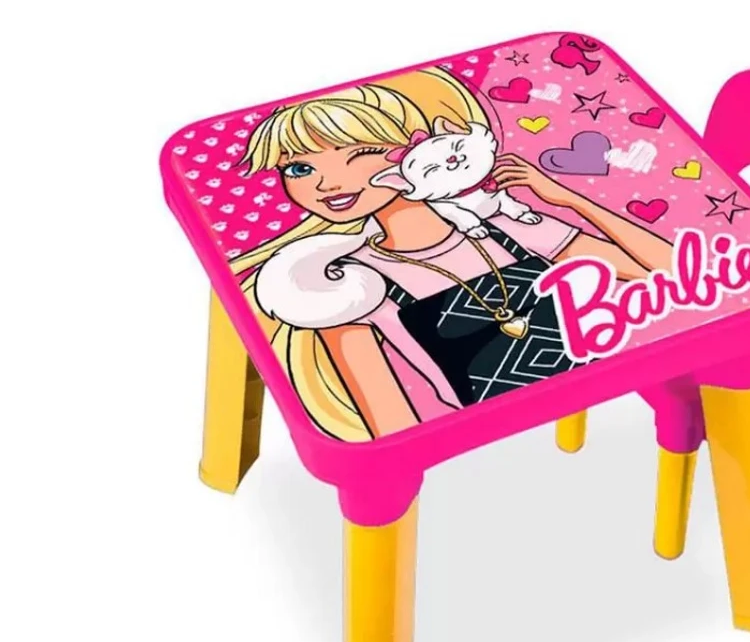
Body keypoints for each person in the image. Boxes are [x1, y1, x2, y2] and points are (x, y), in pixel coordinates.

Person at [231, 67, 675, 440]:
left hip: (594, 377)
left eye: (363, 153)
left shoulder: (506, 224)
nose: (326, 184)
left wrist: (567, 199)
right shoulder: (346, 285)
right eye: (299, 168)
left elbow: (670, 270)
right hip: (483, 432)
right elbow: (391, 427)